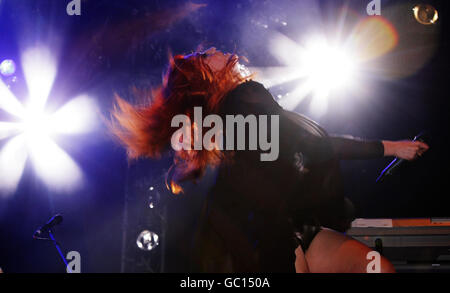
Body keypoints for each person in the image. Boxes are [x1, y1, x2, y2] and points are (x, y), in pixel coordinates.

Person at [111, 47, 429, 273]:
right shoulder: (241, 99)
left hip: (294, 226)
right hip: (267, 233)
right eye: (204, 55)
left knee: (376, 268)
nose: (210, 48)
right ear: (204, 75)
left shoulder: (231, 112)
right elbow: (312, 144)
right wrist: (390, 147)